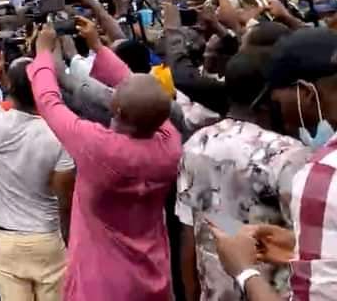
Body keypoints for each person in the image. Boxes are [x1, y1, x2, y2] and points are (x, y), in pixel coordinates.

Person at [27, 16, 181, 300]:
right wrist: (97, 46)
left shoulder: (97, 146)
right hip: (152, 276)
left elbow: (49, 101)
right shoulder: (169, 145)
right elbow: (142, 95)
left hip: (99, 282)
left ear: (117, 109)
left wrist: (43, 53)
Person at [175, 52, 311, 301]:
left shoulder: (196, 144)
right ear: (270, 97)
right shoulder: (287, 153)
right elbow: (312, 241)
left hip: (216, 292)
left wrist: (191, 292)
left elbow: (189, 229)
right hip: (271, 292)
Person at [0, 23, 75, 300]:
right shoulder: (60, 135)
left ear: (7, 85)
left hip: (7, 241)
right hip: (48, 238)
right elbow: (64, 200)